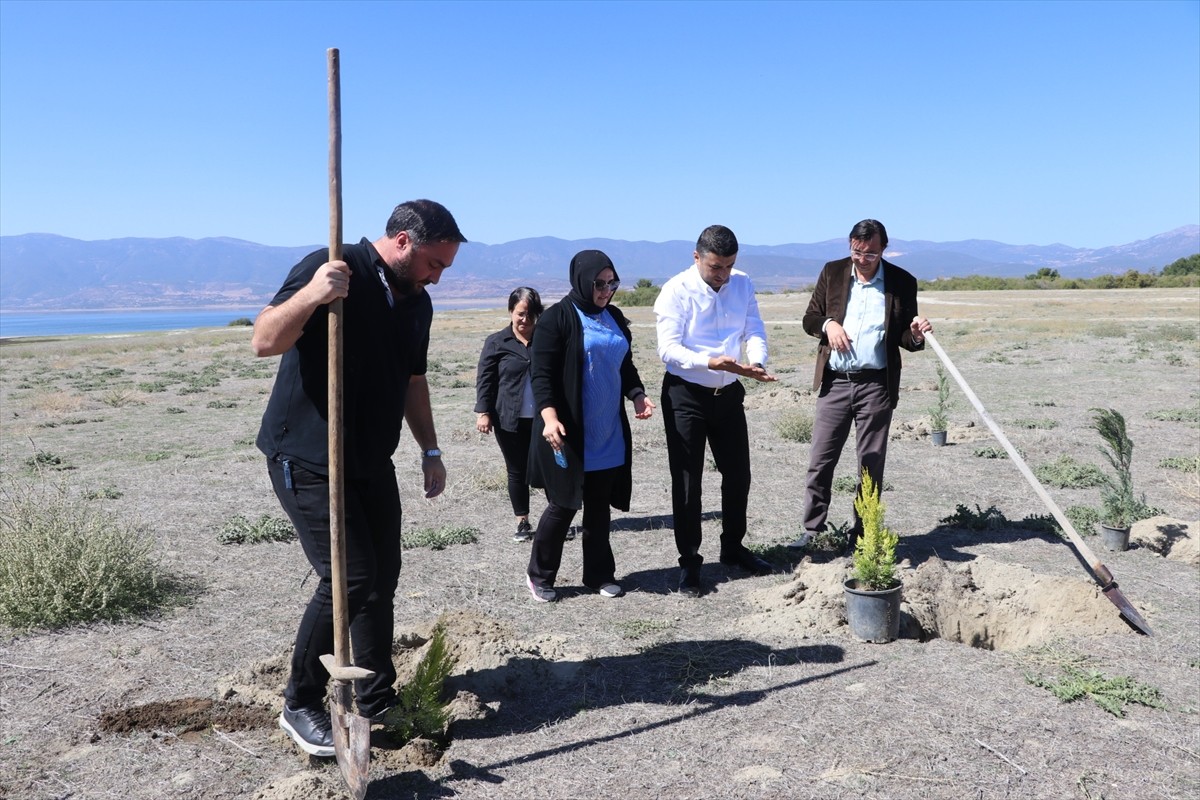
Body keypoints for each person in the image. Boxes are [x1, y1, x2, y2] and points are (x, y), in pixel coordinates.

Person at [251, 199, 465, 758]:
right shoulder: (333, 265)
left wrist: (430, 449)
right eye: (432, 263)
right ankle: (299, 703)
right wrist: (315, 294)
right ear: (401, 242)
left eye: (444, 267)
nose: (437, 276)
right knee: (349, 576)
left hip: (372, 459)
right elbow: (264, 340)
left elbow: (413, 381)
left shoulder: (417, 305)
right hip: (308, 457)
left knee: (382, 578)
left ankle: (374, 697)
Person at [788, 219, 932, 553]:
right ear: (849, 245)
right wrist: (829, 324)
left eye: (869, 253)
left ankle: (863, 534)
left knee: (870, 462)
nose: (862, 259)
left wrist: (917, 335)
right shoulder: (832, 272)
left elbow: (903, 336)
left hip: (876, 386)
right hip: (836, 383)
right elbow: (809, 319)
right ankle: (813, 530)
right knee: (820, 460)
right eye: (856, 252)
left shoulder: (901, 281)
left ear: (883, 248)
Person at [654, 225, 778, 598]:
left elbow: (753, 328)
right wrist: (710, 361)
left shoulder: (742, 284)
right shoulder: (675, 290)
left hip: (728, 394)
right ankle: (690, 562)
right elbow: (668, 350)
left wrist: (755, 361)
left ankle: (733, 547)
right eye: (714, 267)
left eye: (728, 266)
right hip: (685, 394)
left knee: (738, 474)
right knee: (689, 482)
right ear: (696, 258)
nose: (722, 274)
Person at [524, 250, 655, 602]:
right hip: (568, 434)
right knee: (564, 504)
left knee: (599, 509)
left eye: (613, 283)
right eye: (600, 283)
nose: (606, 290)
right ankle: (540, 576)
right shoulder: (556, 319)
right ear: (582, 279)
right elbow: (542, 376)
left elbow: (624, 365)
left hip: (607, 431)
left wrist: (638, 394)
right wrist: (549, 417)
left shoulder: (613, 316)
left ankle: (598, 575)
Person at [474, 287, 544, 543]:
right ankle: (522, 522)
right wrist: (483, 412)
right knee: (516, 470)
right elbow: (486, 380)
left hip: (543, 419)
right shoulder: (496, 342)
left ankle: (554, 521)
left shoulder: (547, 339)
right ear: (511, 311)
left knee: (547, 468)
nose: (525, 320)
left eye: (531, 314)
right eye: (520, 313)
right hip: (508, 418)